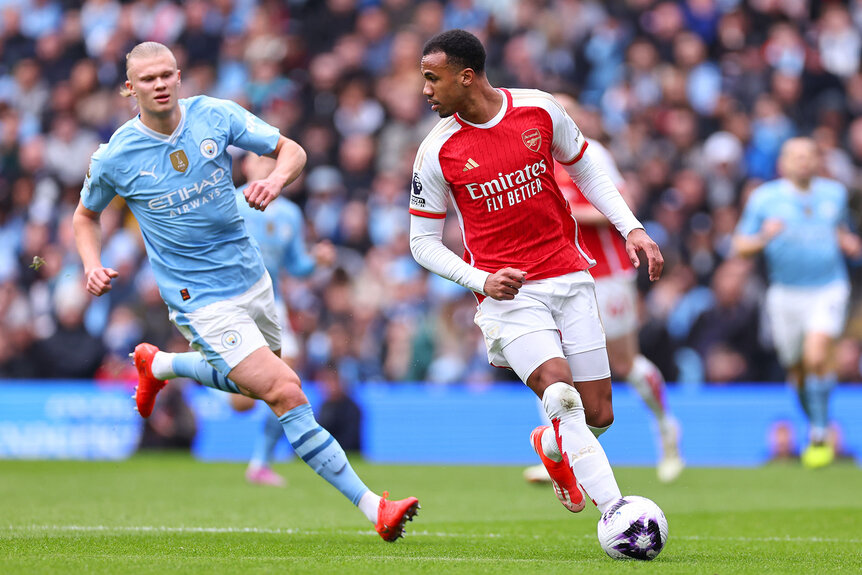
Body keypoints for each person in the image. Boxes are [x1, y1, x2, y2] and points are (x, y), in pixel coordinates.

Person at [72, 41, 418, 542]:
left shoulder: (214, 115)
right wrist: (91, 264)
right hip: (199, 299)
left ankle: (161, 365)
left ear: (179, 75)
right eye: (148, 79)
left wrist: (276, 180)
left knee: (251, 395)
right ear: (130, 89)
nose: (162, 84)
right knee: (285, 390)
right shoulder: (116, 156)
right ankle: (374, 508)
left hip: (253, 281)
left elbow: (290, 150)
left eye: (168, 73)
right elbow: (85, 216)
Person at [409, 29, 664, 516]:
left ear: (466, 77)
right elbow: (420, 243)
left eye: (431, 78)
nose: (425, 90)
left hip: (569, 276)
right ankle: (618, 511)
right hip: (508, 294)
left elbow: (587, 169)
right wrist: (479, 280)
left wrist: (632, 228)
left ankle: (551, 446)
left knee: (598, 415)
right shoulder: (435, 151)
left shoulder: (539, 109)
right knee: (560, 392)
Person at [523, 93, 683, 485]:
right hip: (554, 274)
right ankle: (564, 454)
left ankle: (666, 430)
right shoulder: (527, 156)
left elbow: (620, 204)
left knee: (624, 365)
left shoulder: (590, 152)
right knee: (554, 364)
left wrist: (565, 210)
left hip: (605, 273)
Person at [153, 151, 337, 487]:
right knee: (242, 403)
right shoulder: (229, 204)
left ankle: (260, 462)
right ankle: (182, 366)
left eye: (272, 158)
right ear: (246, 166)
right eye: (259, 158)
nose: (266, 163)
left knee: (289, 383)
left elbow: (295, 265)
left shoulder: (290, 214)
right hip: (232, 306)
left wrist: (317, 260)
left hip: (273, 306)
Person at [733, 137, 861, 469]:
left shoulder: (833, 194)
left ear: (817, 161)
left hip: (828, 288)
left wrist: (847, 241)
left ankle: (819, 433)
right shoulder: (765, 198)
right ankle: (817, 421)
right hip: (786, 293)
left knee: (817, 355)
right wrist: (765, 236)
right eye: (796, 156)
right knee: (797, 369)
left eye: (809, 155)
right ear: (784, 163)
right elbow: (740, 246)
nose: (803, 162)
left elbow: (843, 231)